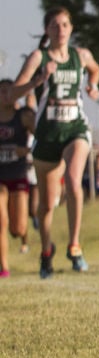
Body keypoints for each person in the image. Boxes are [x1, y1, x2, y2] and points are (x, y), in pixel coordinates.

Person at [12, 6, 99, 278]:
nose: (60, 30)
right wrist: (39, 79)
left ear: (71, 28)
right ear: (46, 30)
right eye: (54, 25)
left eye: (65, 24)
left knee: (74, 180)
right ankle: (46, 251)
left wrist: (93, 86)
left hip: (75, 127)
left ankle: (74, 245)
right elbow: (12, 93)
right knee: (46, 203)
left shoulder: (81, 55)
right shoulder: (38, 57)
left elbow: (96, 70)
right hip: (47, 135)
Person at [0, 79, 37, 276]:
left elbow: (40, 138)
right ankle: (4, 267)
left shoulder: (23, 117)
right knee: (1, 221)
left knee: (17, 228)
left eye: (9, 92)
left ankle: (23, 236)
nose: (5, 96)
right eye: (2, 92)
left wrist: (27, 150)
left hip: (18, 174)